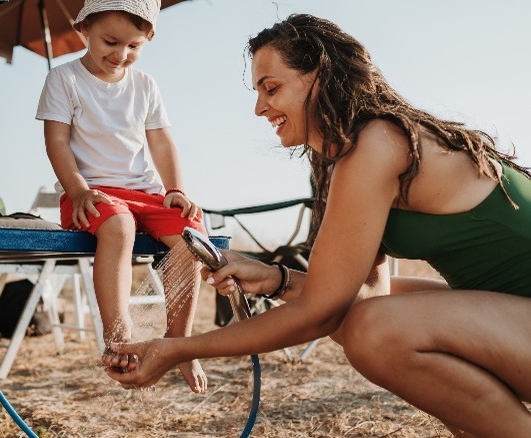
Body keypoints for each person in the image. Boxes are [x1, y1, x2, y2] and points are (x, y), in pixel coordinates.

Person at [107, 13, 531, 436]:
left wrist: (177, 349)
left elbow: (321, 313)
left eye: (271, 88)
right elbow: (361, 295)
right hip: (514, 322)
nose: (259, 108)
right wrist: (275, 279)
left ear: (321, 75)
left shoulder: (378, 144)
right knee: (369, 314)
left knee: (374, 331)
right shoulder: (351, 155)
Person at [35, 0, 208, 393]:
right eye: (110, 42)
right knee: (119, 224)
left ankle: (178, 344)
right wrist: (77, 189)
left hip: (144, 192)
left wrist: (175, 190)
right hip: (92, 194)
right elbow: (56, 141)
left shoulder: (145, 85)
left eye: (134, 46)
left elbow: (162, 143)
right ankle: (120, 337)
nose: (121, 54)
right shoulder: (64, 78)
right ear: (84, 29)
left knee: (191, 235)